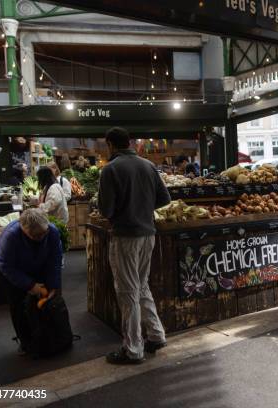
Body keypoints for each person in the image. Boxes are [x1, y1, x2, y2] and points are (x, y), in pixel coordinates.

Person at [98, 127, 171, 365]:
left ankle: (133, 349)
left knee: (127, 291)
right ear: (129, 142)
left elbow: (106, 209)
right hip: (148, 234)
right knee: (141, 286)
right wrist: (142, 207)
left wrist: (122, 210)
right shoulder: (148, 165)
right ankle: (156, 335)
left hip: (125, 236)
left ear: (110, 144)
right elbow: (165, 200)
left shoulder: (110, 169)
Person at [0, 209, 63, 353]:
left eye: (44, 233)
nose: (42, 237)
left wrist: (53, 285)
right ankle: (24, 341)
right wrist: (30, 285)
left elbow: (54, 260)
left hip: (36, 262)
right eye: (36, 236)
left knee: (47, 299)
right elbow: (6, 265)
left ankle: (45, 336)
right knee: (18, 303)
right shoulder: (11, 236)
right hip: (9, 266)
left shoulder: (52, 232)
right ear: (24, 230)